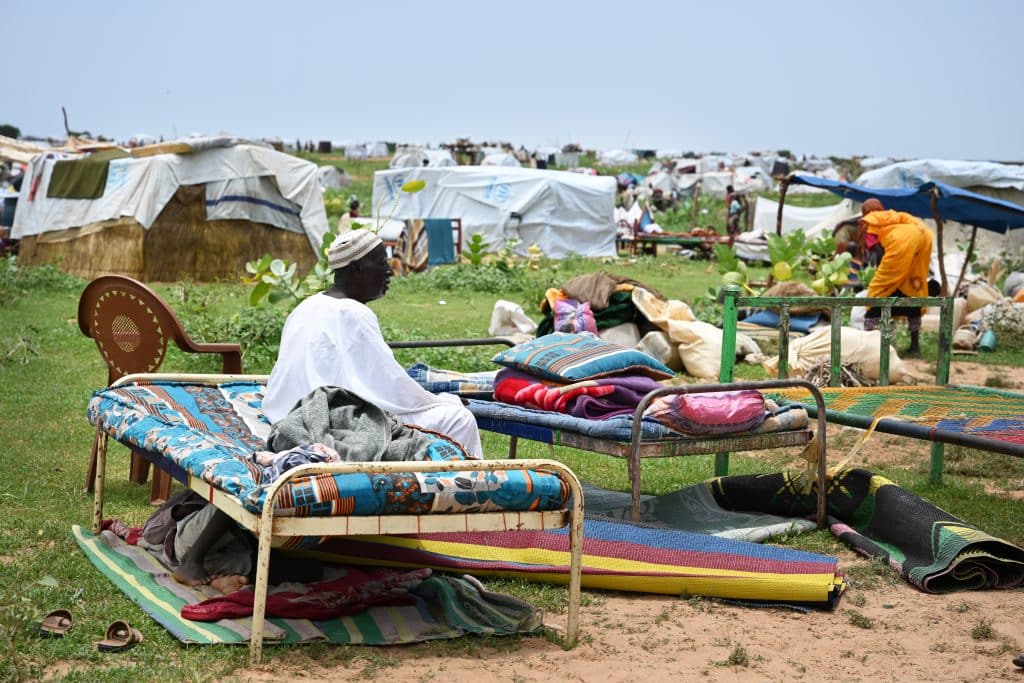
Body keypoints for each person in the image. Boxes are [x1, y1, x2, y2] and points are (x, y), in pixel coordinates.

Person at [261, 228, 483, 457]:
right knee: (459, 419)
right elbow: (388, 390)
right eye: (381, 263)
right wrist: (438, 402)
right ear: (356, 268)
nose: (389, 271)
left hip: (286, 411)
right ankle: (467, 487)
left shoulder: (305, 306)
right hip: (328, 419)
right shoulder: (354, 313)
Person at [858, 198, 935, 356]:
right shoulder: (894, 217)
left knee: (874, 300)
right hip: (923, 235)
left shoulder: (871, 222)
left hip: (898, 254)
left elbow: (877, 249)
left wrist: (885, 274)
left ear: (865, 212)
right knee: (912, 300)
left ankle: (869, 347)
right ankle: (915, 347)